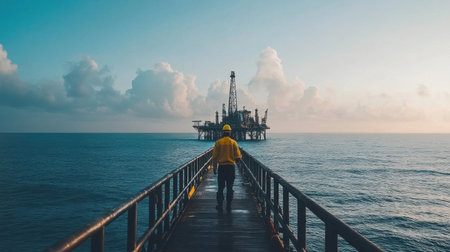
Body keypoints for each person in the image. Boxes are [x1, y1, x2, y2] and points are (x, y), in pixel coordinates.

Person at [211, 124, 242, 212]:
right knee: (230, 187)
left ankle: (220, 204)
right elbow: (238, 157)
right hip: (231, 167)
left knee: (220, 187)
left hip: (222, 168)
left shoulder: (218, 142)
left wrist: (214, 168)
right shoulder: (233, 142)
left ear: (223, 132)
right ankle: (228, 205)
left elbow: (214, 157)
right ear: (230, 132)